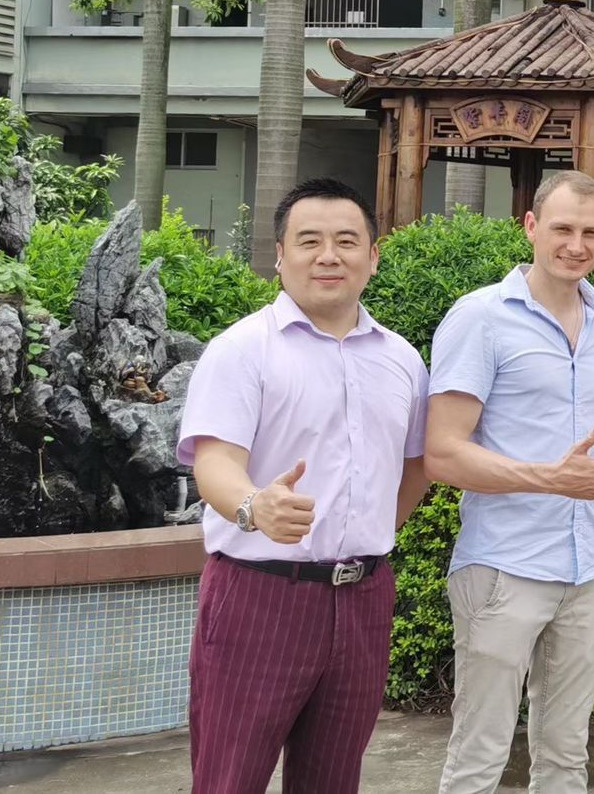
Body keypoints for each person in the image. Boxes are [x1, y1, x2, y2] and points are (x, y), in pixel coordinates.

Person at [177, 178, 431, 794]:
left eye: (347, 241)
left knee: (333, 780)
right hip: (260, 597)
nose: (328, 256)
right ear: (280, 255)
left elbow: (416, 466)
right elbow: (214, 462)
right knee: (230, 779)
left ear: (373, 255)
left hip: (363, 598)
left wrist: (365, 535)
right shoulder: (243, 350)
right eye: (309, 241)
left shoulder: (401, 360)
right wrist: (254, 506)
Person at [426, 171, 594, 794]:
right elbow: (442, 453)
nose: (577, 245)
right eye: (563, 229)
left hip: (588, 574)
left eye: (592, 232)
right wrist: (549, 479)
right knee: (479, 756)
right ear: (530, 226)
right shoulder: (481, 318)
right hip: (504, 569)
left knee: (568, 756)